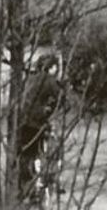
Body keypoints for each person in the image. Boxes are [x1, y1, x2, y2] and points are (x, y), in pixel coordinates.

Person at [18, 54, 65, 203]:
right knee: (40, 154)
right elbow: (62, 99)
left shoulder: (30, 78)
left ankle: (24, 188)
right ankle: (39, 188)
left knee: (26, 154)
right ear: (52, 68)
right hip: (37, 122)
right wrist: (49, 110)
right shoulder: (49, 80)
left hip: (23, 121)